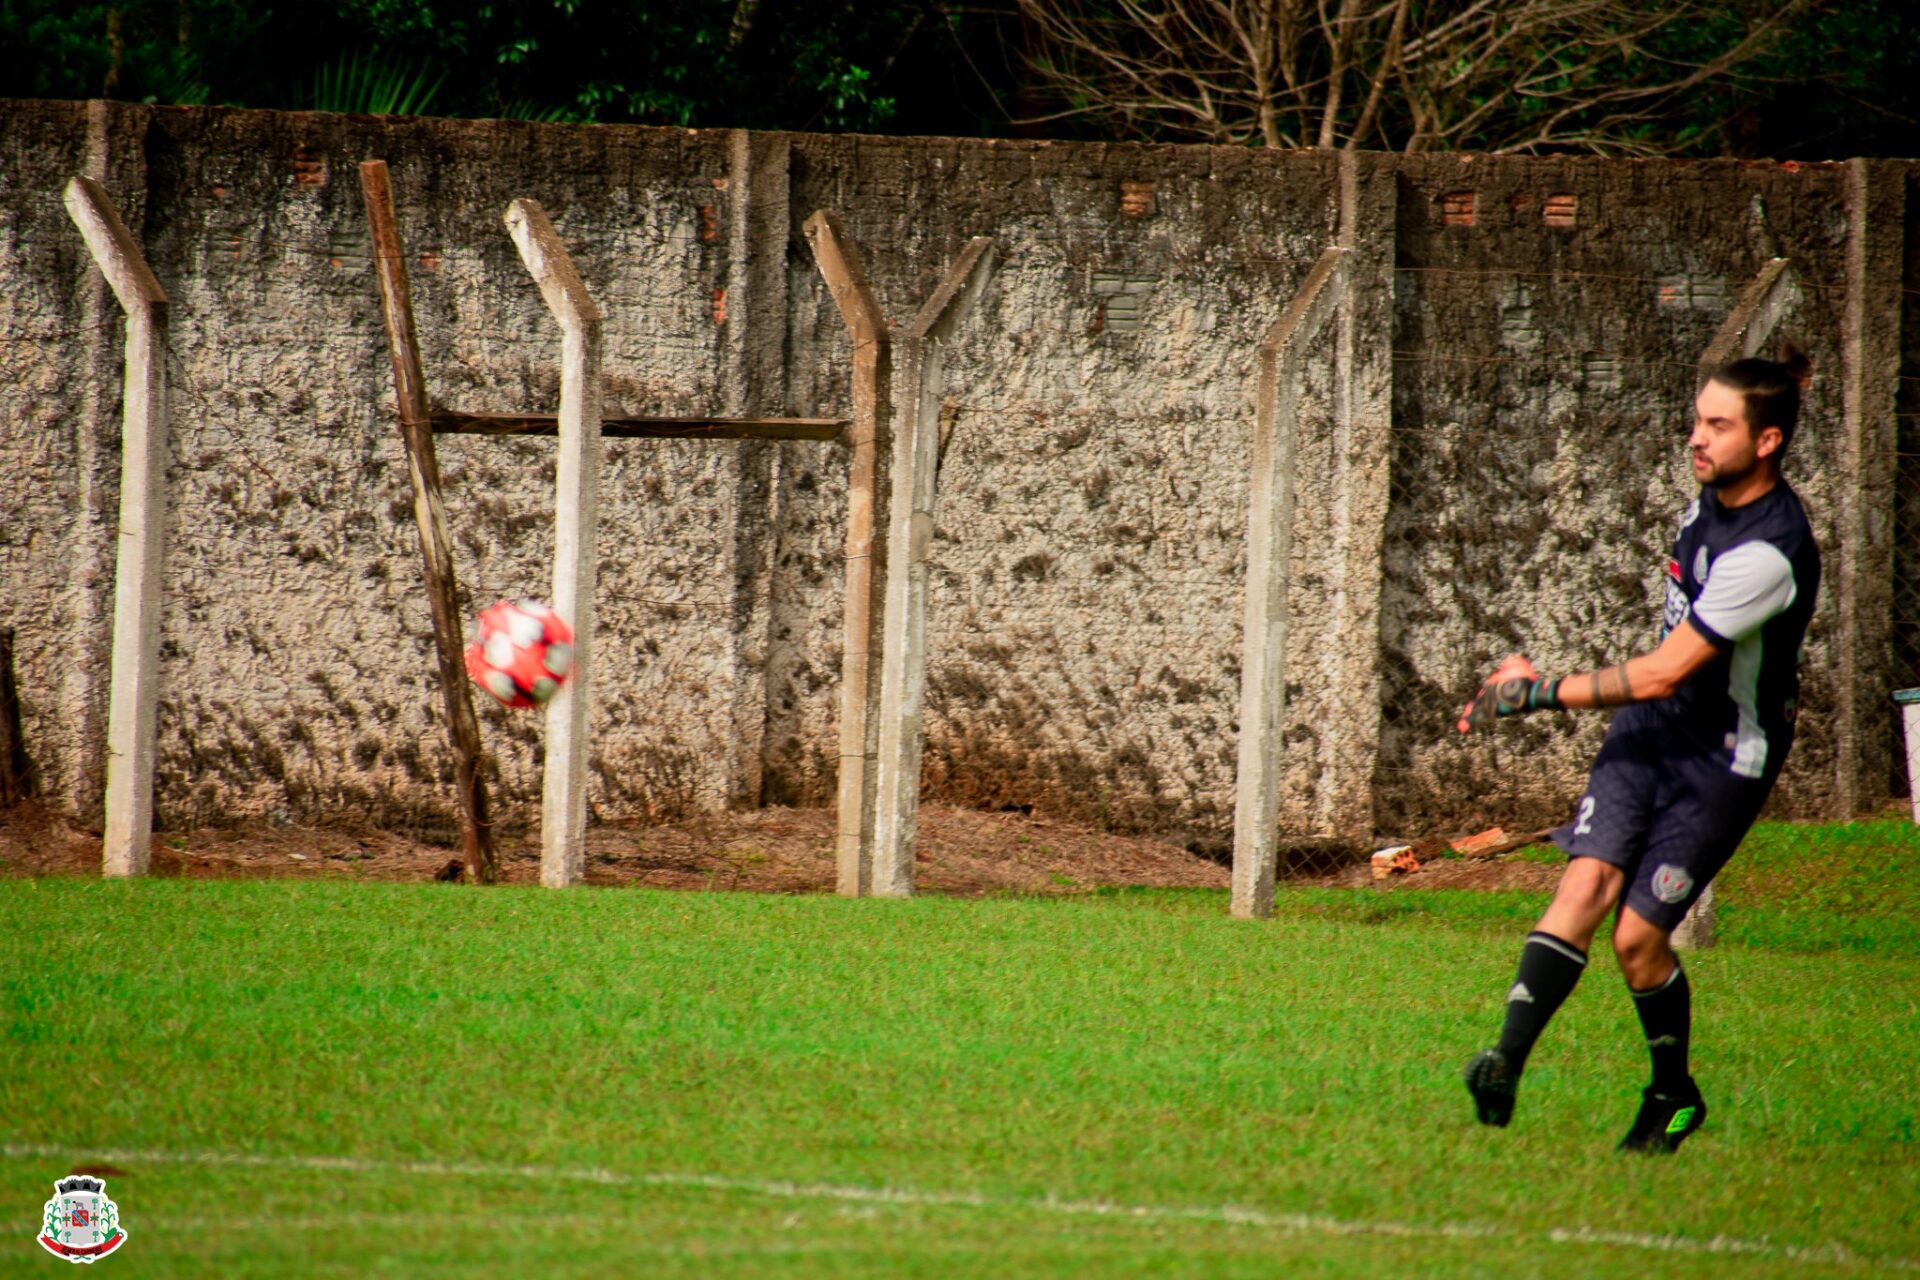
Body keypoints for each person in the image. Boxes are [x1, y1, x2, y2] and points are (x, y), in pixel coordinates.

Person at [1454, 346, 1820, 1153]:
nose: (1696, 437)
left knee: (1637, 940)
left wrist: (1536, 690)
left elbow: (1661, 672)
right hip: (1651, 732)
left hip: (1722, 757)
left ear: (1766, 442)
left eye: (1717, 426)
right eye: (1697, 419)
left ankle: (1674, 1095)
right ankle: (1504, 1061)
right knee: (1585, 883)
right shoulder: (1706, 503)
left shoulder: (1768, 550)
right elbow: (1656, 682)